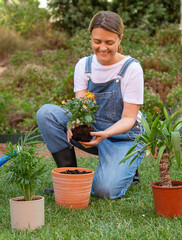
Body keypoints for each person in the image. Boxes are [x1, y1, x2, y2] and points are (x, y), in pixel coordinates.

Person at [36, 11, 145, 199]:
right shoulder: (84, 66)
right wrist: (76, 124)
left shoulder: (131, 69)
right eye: (97, 41)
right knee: (47, 113)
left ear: (120, 39)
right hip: (94, 130)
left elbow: (129, 118)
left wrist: (107, 134)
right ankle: (69, 177)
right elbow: (81, 107)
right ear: (91, 39)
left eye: (109, 42)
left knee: (105, 190)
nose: (102, 48)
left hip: (123, 137)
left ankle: (127, 167)